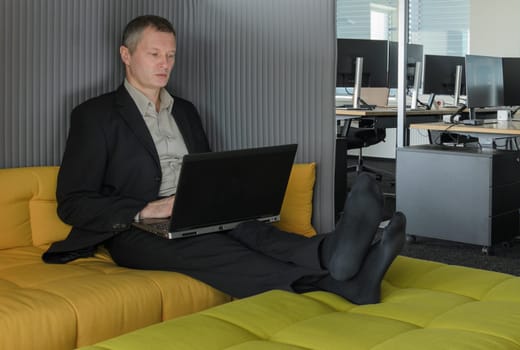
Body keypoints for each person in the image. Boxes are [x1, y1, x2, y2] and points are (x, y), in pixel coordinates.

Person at [43, 15, 406, 305]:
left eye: (170, 55)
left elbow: (205, 172)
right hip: (134, 231)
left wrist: (230, 197)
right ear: (126, 55)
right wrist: (146, 210)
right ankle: (342, 277)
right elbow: (73, 203)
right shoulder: (95, 115)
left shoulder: (184, 110)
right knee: (215, 248)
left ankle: (333, 252)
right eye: (154, 54)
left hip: (196, 211)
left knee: (251, 229)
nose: (165, 64)